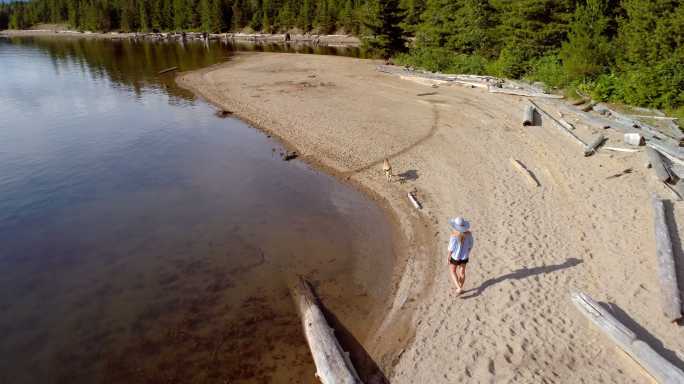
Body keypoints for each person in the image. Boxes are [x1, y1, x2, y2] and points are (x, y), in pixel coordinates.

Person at [447, 217, 474, 295]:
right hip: (464, 257)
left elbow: (451, 248)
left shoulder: (454, 235)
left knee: (452, 271)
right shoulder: (469, 234)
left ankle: (459, 288)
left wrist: (448, 256)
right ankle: (460, 287)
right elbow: (471, 245)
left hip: (455, 257)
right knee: (462, 272)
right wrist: (468, 252)